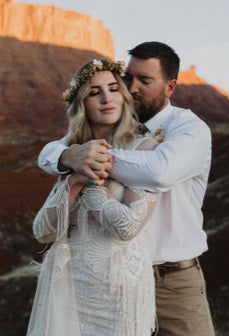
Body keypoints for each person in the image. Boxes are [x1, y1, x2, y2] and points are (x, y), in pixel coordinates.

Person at [38, 42, 215, 336]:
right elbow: (53, 152)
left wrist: (89, 158)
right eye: (128, 78)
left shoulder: (187, 127)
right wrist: (67, 157)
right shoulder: (112, 125)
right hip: (108, 285)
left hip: (170, 279)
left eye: (145, 81)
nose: (132, 88)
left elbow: (159, 172)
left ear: (170, 87)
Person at [27, 59, 161, 336]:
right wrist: (74, 179)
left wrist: (90, 185)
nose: (106, 98)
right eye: (94, 92)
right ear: (81, 104)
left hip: (119, 296)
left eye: (113, 89)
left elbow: (126, 228)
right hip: (71, 290)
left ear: (123, 97)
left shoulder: (144, 149)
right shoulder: (75, 154)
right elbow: (43, 232)